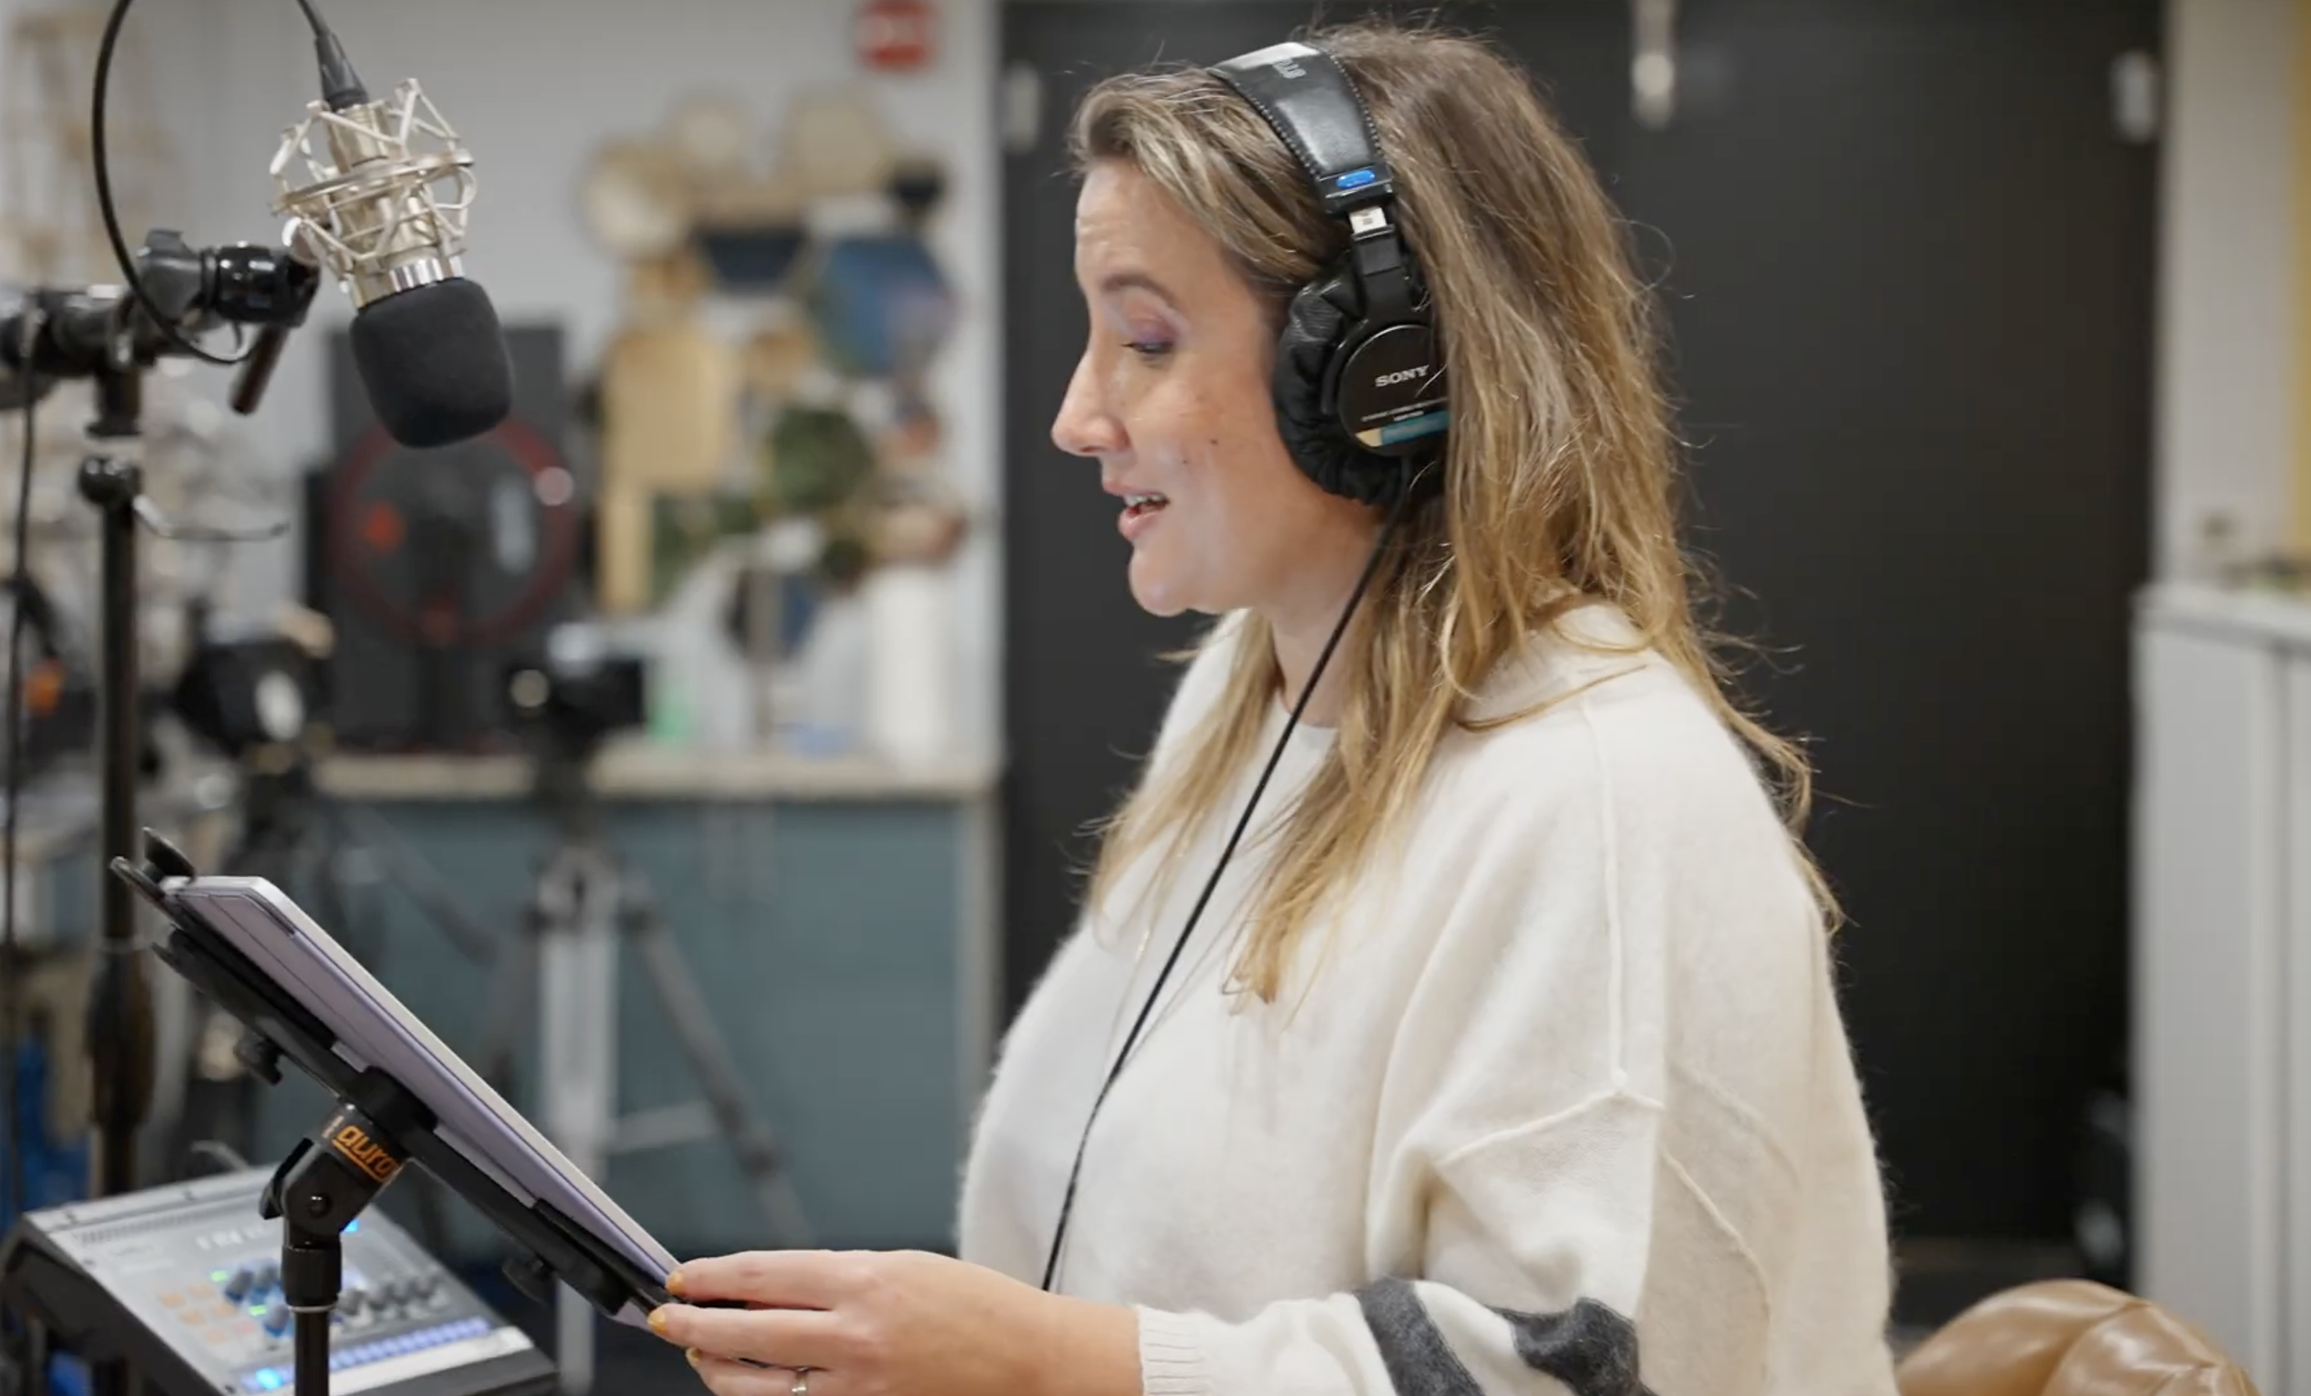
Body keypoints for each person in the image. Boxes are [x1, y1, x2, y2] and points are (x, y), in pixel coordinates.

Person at [649, 19, 1900, 1395]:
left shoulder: (1600, 794)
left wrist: (1045, 1365)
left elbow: (1561, 1369)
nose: (1078, 415)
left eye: (1146, 337)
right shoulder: (1244, 704)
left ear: (1381, 380)